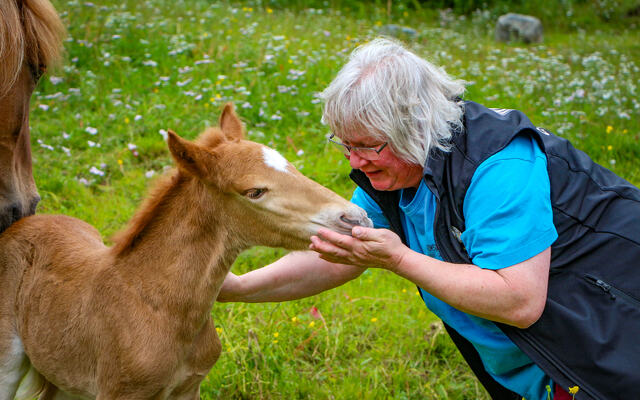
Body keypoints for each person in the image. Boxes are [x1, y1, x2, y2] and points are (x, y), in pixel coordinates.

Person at [218, 38, 640, 400]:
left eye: (367, 145)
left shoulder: (497, 167)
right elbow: (340, 252)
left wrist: (400, 259)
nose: (354, 160)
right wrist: (235, 288)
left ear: (414, 127)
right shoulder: (392, 173)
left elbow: (520, 300)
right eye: (344, 144)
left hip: (612, 346)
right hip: (545, 368)